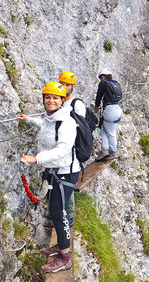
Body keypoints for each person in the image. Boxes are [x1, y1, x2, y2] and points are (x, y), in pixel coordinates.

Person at [19, 82, 79, 273]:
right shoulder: (52, 118)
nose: (51, 100)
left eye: (55, 98)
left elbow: (63, 149)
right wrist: (28, 119)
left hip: (65, 173)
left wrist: (36, 159)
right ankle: (61, 245)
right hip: (55, 172)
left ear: (62, 101)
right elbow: (44, 124)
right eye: (48, 97)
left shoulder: (66, 122)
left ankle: (65, 256)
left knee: (59, 214)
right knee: (54, 212)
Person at [57, 71, 85, 228]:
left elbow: (79, 127)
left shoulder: (76, 104)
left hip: (71, 149)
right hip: (62, 148)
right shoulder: (60, 102)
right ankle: (61, 215)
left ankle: (70, 218)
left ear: (73, 87)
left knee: (67, 184)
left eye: (67, 85)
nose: (64, 87)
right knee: (61, 183)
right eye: (62, 84)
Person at [94, 69, 123, 161]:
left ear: (103, 76)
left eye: (100, 78)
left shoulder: (104, 83)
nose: (100, 80)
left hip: (110, 110)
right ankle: (104, 150)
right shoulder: (116, 84)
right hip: (117, 109)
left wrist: (96, 106)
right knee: (103, 130)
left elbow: (99, 95)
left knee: (110, 133)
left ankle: (113, 152)